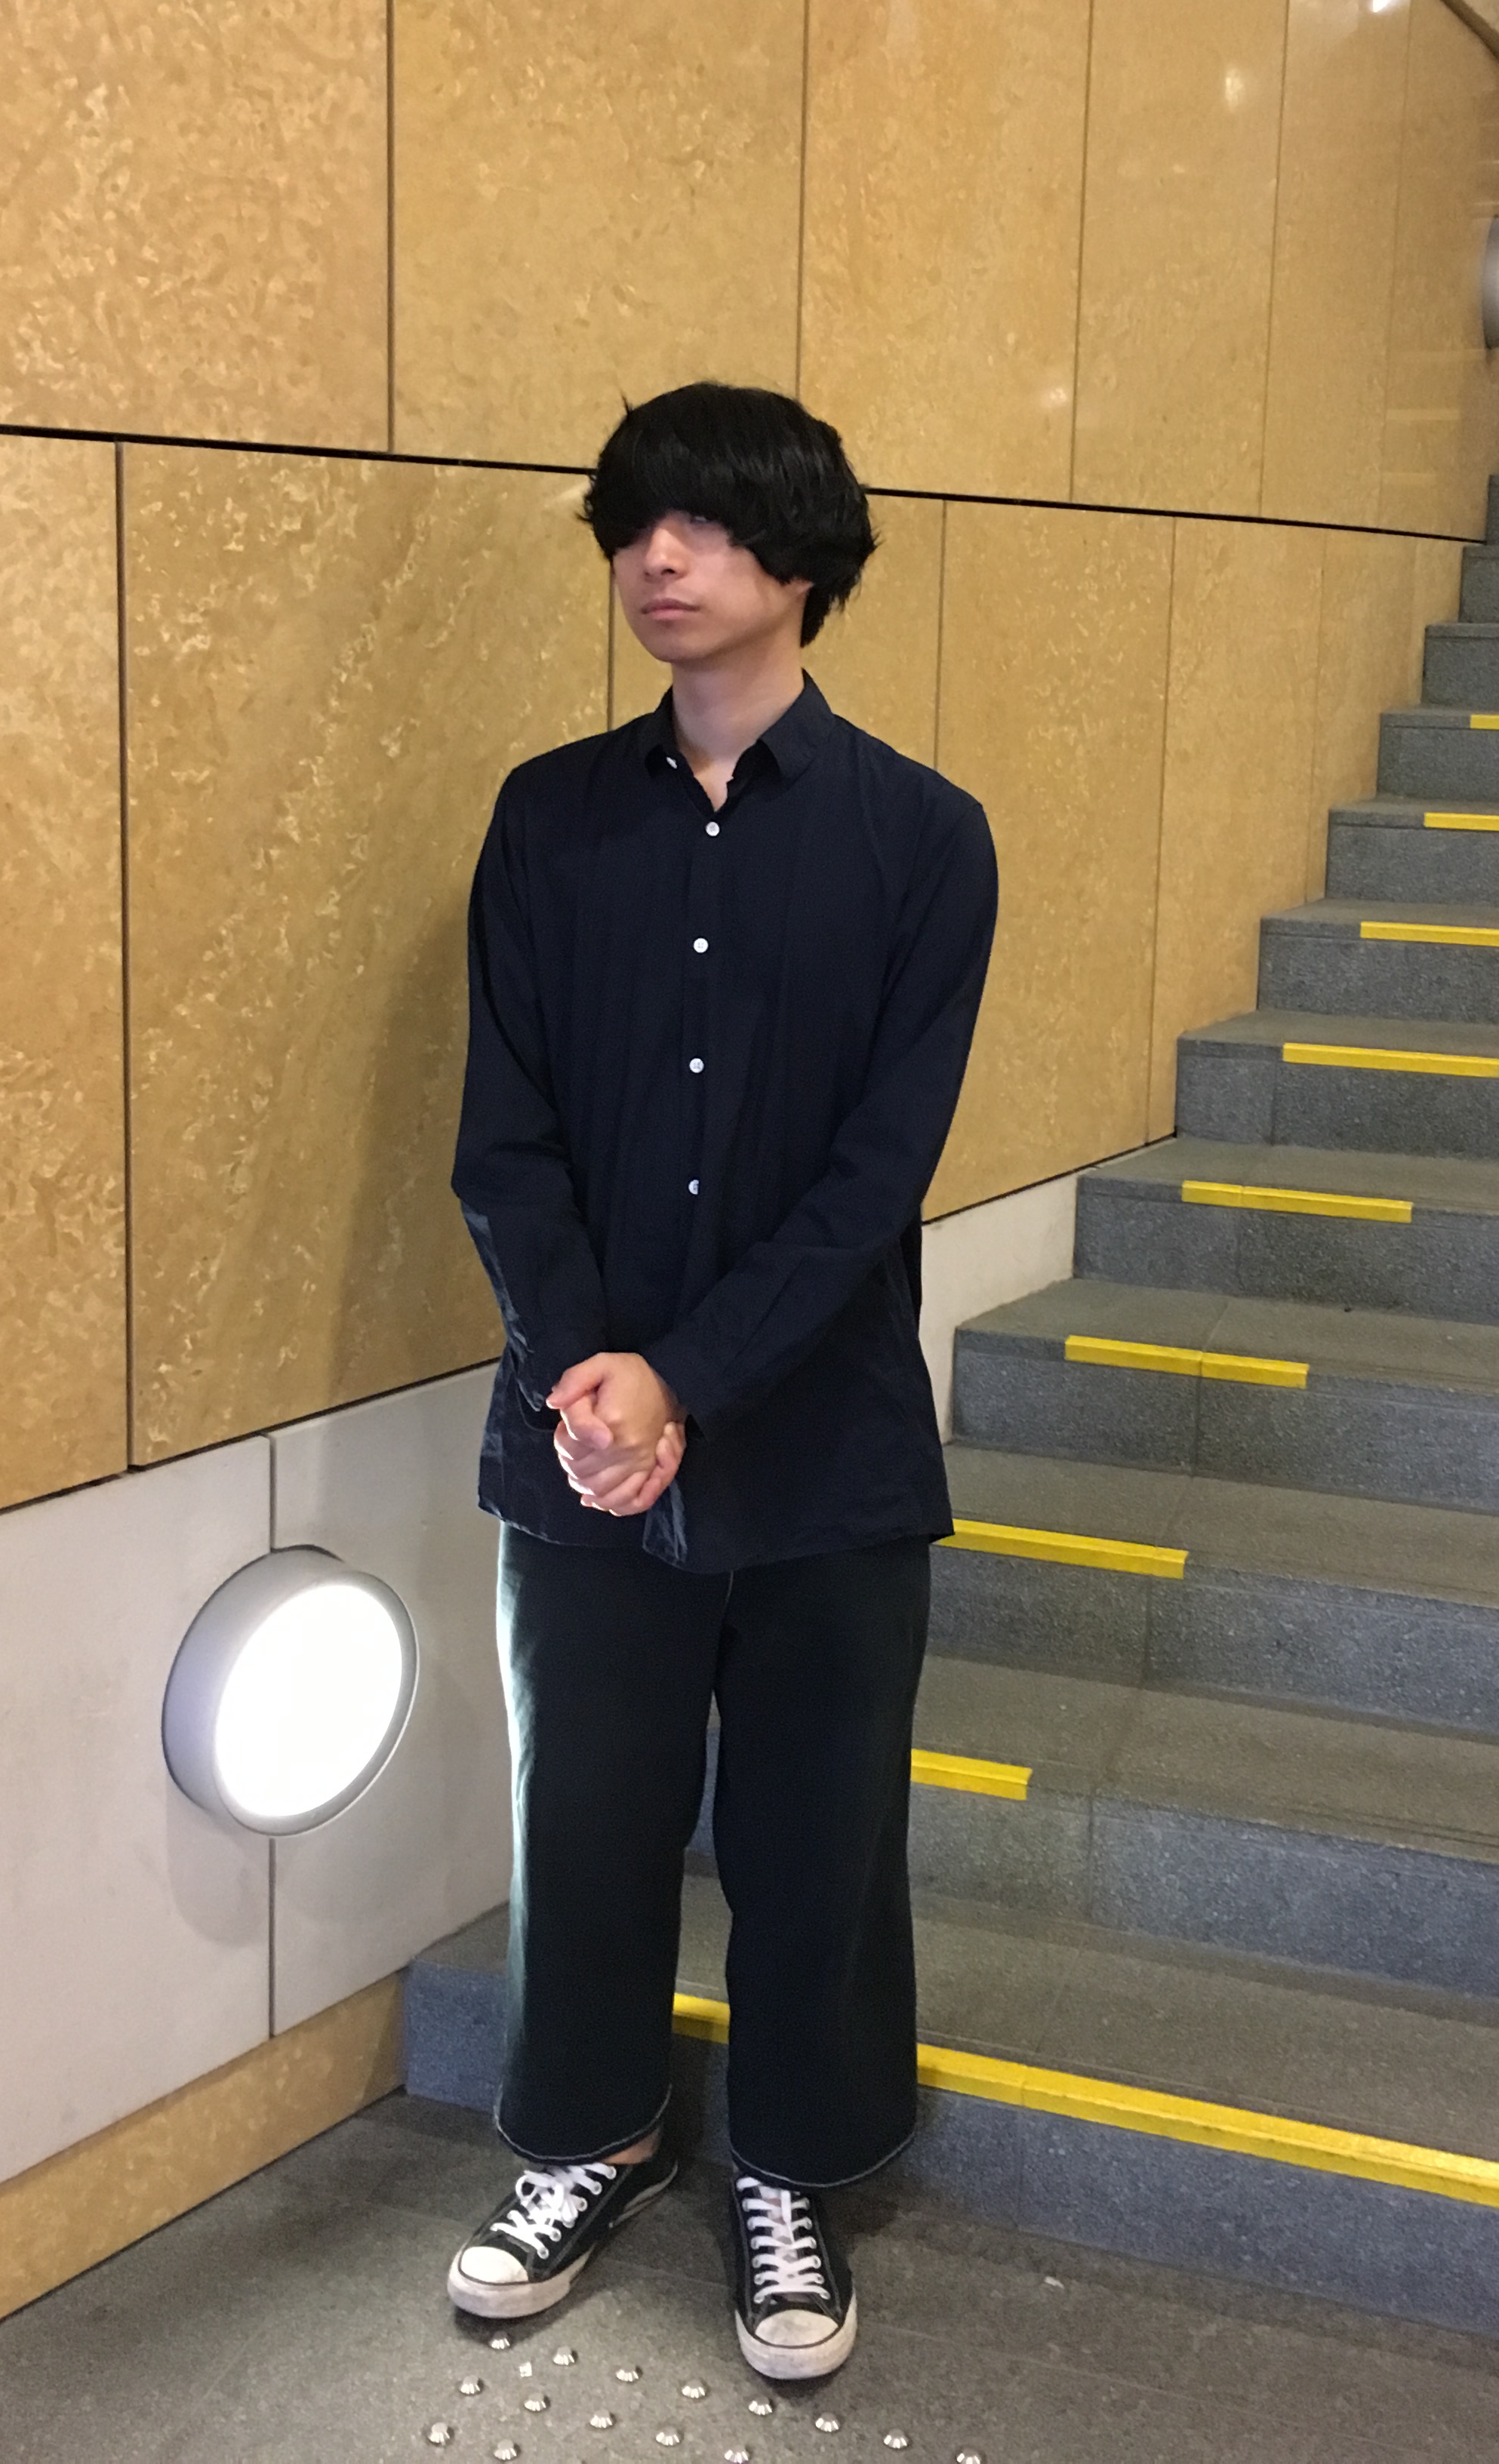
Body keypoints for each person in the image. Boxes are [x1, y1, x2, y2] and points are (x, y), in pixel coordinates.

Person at [445, 382, 997, 2380]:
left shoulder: (922, 839)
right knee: (586, 1813)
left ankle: (794, 2163)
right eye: (631, 524)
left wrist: (683, 1375)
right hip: (582, 1443)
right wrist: (594, 1384)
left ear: (803, 557)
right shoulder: (548, 817)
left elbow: (875, 1178)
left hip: (822, 1444)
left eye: (699, 522)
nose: (654, 558)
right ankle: (592, 2136)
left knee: (815, 1830)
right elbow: (504, 1138)